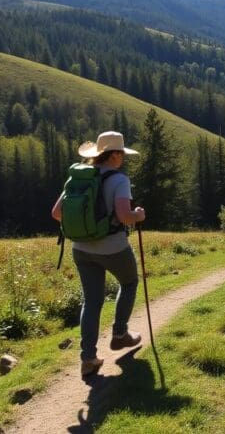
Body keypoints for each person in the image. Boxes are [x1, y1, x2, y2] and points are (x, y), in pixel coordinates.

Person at [51, 131, 146, 378]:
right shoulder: (119, 180)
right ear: (113, 155)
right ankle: (120, 334)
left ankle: (88, 358)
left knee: (91, 301)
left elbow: (56, 213)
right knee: (129, 282)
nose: (123, 158)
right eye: (121, 154)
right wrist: (139, 215)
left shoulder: (80, 176)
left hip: (81, 249)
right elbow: (125, 216)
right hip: (112, 247)